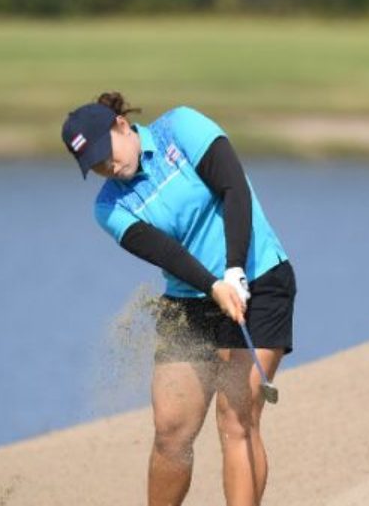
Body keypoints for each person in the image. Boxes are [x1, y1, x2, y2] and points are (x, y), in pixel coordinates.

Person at [60, 92, 296, 506]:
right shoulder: (109, 208)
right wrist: (214, 286)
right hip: (191, 300)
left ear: (120, 125)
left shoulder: (181, 128)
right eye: (94, 166)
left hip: (259, 280)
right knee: (171, 430)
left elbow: (233, 189)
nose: (107, 168)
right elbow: (168, 254)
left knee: (236, 418)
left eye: (106, 154)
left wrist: (235, 269)